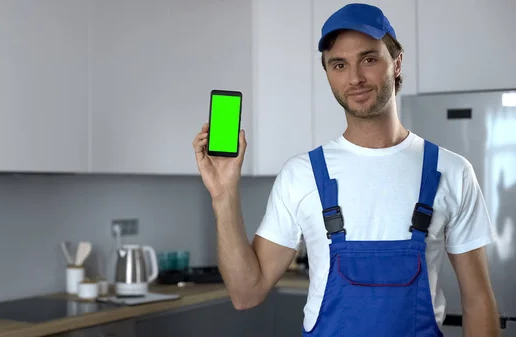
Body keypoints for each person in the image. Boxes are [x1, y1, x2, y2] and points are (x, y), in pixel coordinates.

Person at [192, 3, 500, 336]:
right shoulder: (302, 174)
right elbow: (245, 293)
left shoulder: (451, 171)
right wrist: (223, 195)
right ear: (327, 74)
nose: (354, 78)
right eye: (339, 64)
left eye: (369, 59)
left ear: (396, 63)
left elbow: (478, 302)